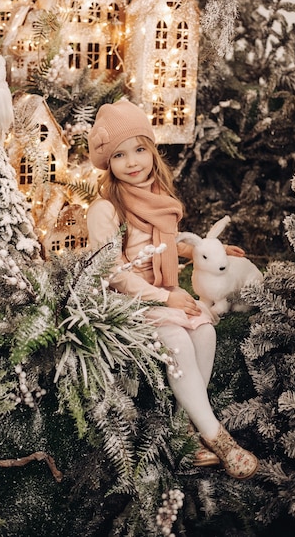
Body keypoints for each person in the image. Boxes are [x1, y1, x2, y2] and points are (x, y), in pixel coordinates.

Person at [86, 99, 258, 479]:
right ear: (107, 163)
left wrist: (205, 251)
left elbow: (169, 246)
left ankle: (185, 428)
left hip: (163, 292)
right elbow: (112, 273)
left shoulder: (159, 198)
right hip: (126, 303)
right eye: (119, 155)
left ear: (152, 150)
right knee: (178, 340)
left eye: (140, 149)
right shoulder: (106, 209)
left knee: (206, 330)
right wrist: (168, 297)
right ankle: (217, 436)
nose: (133, 162)